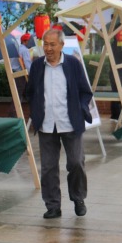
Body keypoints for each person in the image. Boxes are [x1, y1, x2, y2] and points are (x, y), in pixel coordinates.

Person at [25, 29, 93, 219]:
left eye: (52, 44)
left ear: (62, 45)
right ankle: (53, 205)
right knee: (48, 167)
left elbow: (85, 92)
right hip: (46, 124)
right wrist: (36, 109)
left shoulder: (73, 64)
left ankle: (78, 198)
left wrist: (80, 109)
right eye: (45, 44)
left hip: (70, 122)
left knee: (76, 163)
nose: (48, 48)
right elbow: (30, 91)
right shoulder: (38, 66)